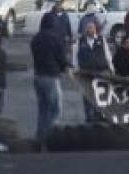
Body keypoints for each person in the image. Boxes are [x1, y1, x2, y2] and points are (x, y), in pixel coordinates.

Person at [31, 12, 69, 142]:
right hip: (51, 76)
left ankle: (40, 137)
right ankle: (51, 137)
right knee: (55, 108)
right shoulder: (55, 38)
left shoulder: (36, 38)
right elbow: (61, 58)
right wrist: (65, 67)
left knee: (43, 109)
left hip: (38, 76)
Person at [77, 21, 114, 122]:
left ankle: (100, 114)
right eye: (88, 28)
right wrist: (76, 71)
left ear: (95, 29)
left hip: (101, 72)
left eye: (92, 28)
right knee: (87, 94)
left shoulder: (101, 40)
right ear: (85, 30)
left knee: (101, 95)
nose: (90, 30)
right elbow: (75, 57)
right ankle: (88, 116)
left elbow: (108, 55)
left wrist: (111, 69)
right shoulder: (80, 41)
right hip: (86, 73)